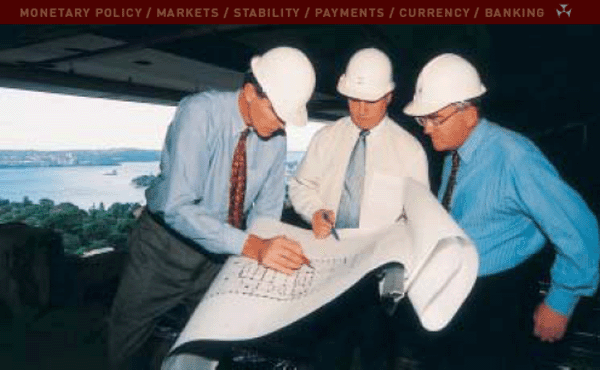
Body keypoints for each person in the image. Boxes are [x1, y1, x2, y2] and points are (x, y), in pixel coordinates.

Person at [107, 46, 316, 370]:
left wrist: (263, 251)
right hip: (163, 248)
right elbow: (177, 206)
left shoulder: (276, 137)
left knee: (214, 338)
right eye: (278, 113)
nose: (281, 125)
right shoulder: (199, 113)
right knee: (128, 336)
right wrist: (252, 246)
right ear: (250, 92)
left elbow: (267, 211)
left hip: (220, 251)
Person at [402, 53, 600, 369]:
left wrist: (561, 301)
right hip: (455, 288)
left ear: (468, 114)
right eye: (421, 120)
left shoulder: (515, 159)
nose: (426, 129)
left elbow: (581, 230)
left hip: (497, 300)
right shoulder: (455, 152)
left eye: (434, 119)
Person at [288, 48, 430, 369]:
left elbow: (418, 221)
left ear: (389, 96)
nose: (361, 110)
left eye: (370, 101)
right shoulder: (326, 138)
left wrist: (397, 273)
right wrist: (314, 211)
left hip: (375, 280)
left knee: (375, 358)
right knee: (326, 356)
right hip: (326, 271)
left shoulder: (410, 151)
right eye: (353, 99)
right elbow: (300, 185)